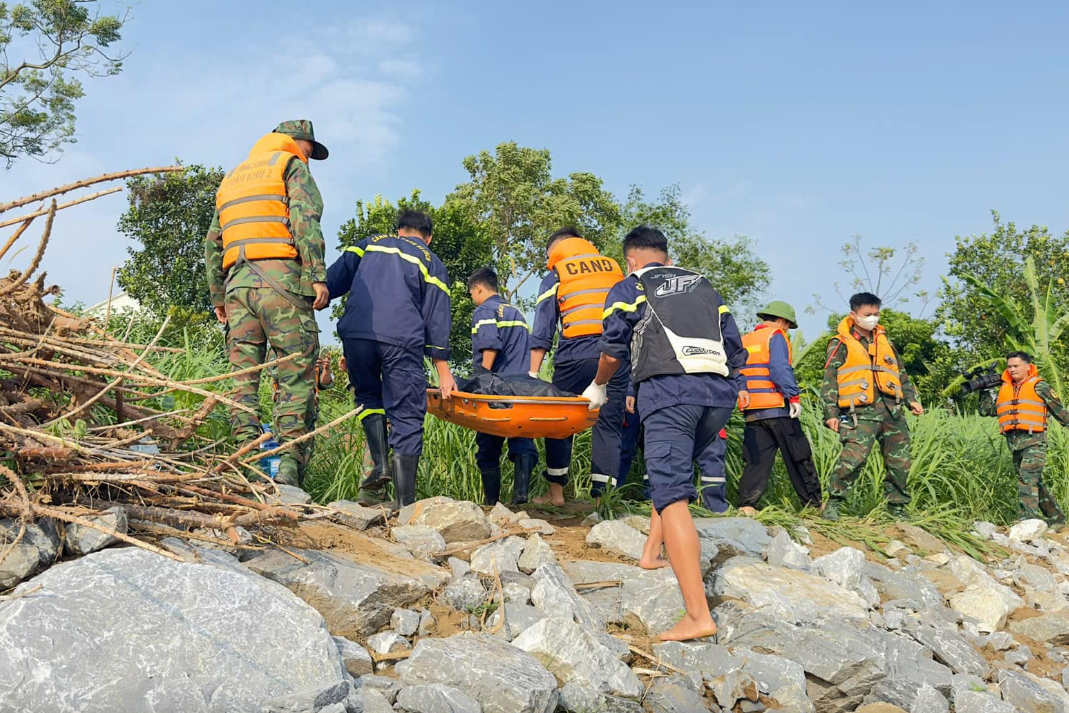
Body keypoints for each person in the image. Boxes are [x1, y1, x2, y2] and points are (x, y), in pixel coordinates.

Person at [591, 225, 748, 641]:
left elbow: (612, 347)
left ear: (631, 259)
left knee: (672, 493)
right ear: (667, 254)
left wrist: (601, 383)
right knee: (671, 478)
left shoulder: (630, 286)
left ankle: (697, 615)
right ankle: (650, 553)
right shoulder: (702, 286)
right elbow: (735, 344)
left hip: (669, 392)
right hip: (716, 396)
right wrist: (734, 387)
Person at [204, 120, 331, 488]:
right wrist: (317, 275)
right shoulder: (289, 166)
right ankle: (288, 471)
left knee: (242, 381)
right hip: (281, 284)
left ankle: (248, 466)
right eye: (309, 150)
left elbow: (213, 242)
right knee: (295, 374)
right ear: (295, 143)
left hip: (237, 287)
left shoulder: (233, 178)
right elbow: (305, 221)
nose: (309, 158)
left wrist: (218, 297)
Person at [325, 209, 456, 508]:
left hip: (356, 336)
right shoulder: (429, 260)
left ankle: (380, 465)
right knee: (407, 415)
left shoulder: (368, 243)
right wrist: (443, 369)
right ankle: (403, 505)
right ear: (429, 238)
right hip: (401, 340)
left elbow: (330, 282)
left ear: (399, 231)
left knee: (368, 398)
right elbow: (437, 317)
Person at [529, 227, 629, 505]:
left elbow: (543, 328)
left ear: (555, 250)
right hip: (614, 356)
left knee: (559, 422)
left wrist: (533, 374)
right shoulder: (613, 268)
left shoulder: (557, 272)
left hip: (574, 356)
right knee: (608, 425)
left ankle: (556, 493)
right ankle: (602, 501)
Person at [821, 293, 923, 520]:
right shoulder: (840, 344)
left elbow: (901, 374)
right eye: (868, 315)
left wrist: (911, 399)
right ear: (853, 315)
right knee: (852, 459)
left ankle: (897, 509)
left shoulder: (886, 342)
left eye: (876, 314)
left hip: (892, 411)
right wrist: (831, 413)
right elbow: (830, 379)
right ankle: (834, 504)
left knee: (900, 462)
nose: (873, 319)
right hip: (860, 413)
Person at [736, 301, 822, 514]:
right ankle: (815, 505)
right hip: (777, 407)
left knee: (756, 461)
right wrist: (793, 396)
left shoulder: (744, 339)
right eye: (788, 326)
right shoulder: (776, 336)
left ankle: (746, 506)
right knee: (798, 454)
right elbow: (779, 368)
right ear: (782, 321)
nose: (787, 330)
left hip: (752, 412)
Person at [467, 267, 539, 506]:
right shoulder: (515, 312)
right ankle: (521, 496)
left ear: (478, 288)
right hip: (523, 387)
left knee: (487, 443)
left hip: (497, 386)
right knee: (521, 438)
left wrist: (483, 379)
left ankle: (491, 502)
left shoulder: (484, 310)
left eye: (472, 294)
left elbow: (489, 345)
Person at [979, 352, 1069, 523]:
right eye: (1009, 366)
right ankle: (1057, 519)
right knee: (1035, 482)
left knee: (1027, 478)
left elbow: (1060, 412)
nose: (1012, 369)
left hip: (1035, 440)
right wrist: (984, 390)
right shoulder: (1005, 389)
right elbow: (987, 411)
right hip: (1014, 444)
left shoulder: (1039, 386)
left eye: (1016, 366)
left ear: (1027, 367)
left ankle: (1027, 520)